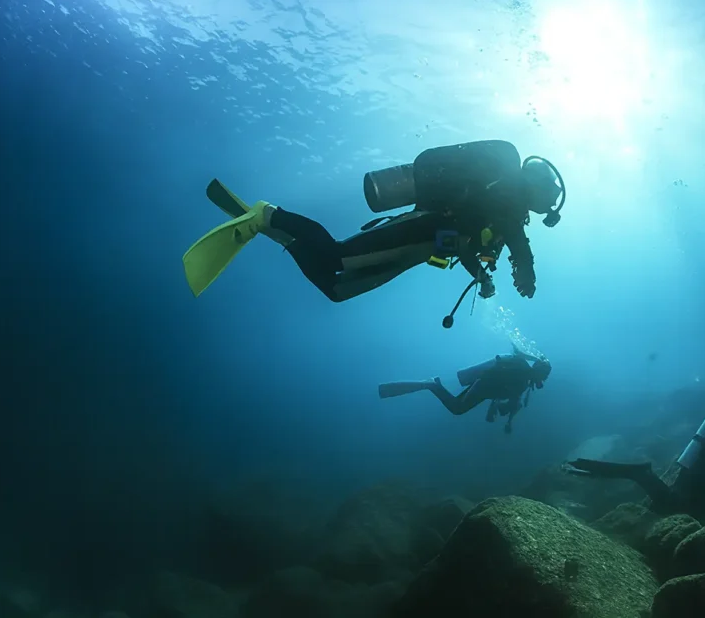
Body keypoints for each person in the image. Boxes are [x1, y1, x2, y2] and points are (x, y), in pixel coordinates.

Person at [182, 140, 566, 319]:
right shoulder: (509, 197)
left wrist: (482, 276)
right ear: (536, 188)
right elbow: (516, 239)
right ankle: (269, 216)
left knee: (337, 289)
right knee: (336, 256)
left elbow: (469, 245)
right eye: (545, 200)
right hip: (425, 228)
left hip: (422, 250)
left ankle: (279, 232)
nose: (540, 209)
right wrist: (526, 272)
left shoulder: (503, 211)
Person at [564, 391, 705, 517]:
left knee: (673, 504)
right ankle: (640, 473)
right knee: (673, 509)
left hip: (695, 469)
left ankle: (639, 474)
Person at [378, 349, 552, 434]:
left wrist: (502, 413)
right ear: (538, 371)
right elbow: (510, 396)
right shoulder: (522, 375)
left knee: (457, 408)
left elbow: (507, 394)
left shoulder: (523, 376)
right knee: (457, 409)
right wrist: (506, 416)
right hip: (483, 386)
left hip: (484, 387)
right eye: (543, 375)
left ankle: (433, 384)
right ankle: (432, 384)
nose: (542, 380)